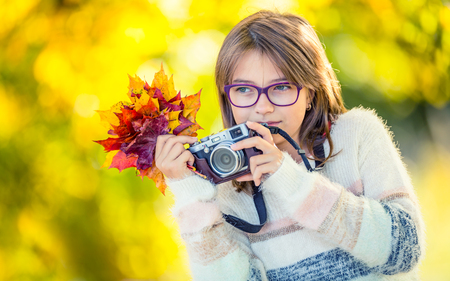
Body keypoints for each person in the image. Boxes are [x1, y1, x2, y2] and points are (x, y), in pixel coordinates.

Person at [155, 10, 424, 281]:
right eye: (244, 90)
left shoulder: (357, 134)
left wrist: (290, 180)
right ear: (228, 97)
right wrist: (191, 196)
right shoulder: (227, 184)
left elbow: (404, 252)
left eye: (281, 87)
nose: (262, 107)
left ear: (311, 92)